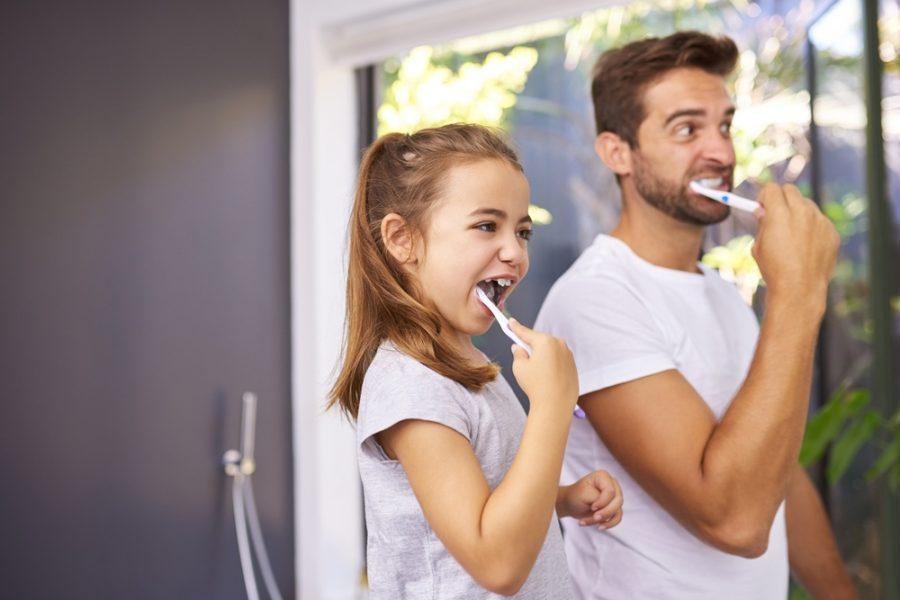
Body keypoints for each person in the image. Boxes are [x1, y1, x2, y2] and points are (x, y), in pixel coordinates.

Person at [535, 32, 855, 599]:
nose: (722, 153)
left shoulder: (722, 295)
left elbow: (778, 472)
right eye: (687, 129)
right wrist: (799, 291)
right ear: (617, 153)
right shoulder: (595, 300)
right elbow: (733, 520)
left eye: (724, 126)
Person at [329, 123, 624, 599]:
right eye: (487, 226)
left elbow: (485, 495)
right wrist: (553, 405)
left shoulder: (467, 368)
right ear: (402, 240)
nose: (515, 251)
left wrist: (562, 500)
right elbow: (497, 563)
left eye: (522, 231)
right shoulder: (412, 387)